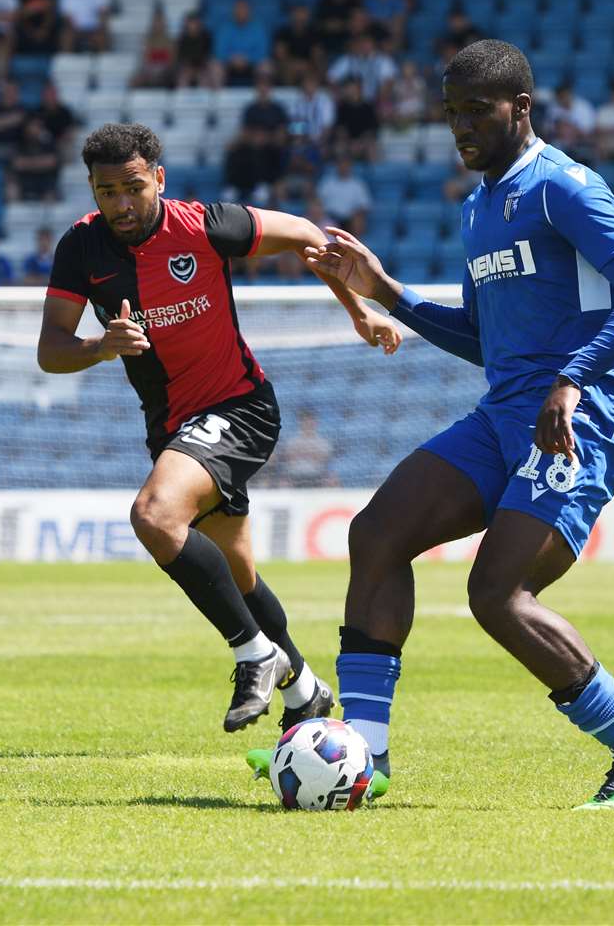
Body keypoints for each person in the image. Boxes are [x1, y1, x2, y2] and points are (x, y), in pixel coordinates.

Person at [271, 39, 614, 810]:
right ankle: (369, 754)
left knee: (497, 594)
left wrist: (570, 380)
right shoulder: (478, 206)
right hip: (504, 415)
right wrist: (384, 291)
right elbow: (483, 340)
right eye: (450, 111)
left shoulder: (565, 188)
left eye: (476, 111)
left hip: (575, 421)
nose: (460, 126)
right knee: (378, 533)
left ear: (519, 109)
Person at [37, 122, 401, 735]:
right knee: (237, 573)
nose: (121, 205)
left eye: (132, 188)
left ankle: (253, 653)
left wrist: (359, 311)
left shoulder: (207, 225)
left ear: (158, 177)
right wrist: (100, 347)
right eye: (106, 193)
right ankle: (307, 690)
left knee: (154, 514)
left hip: (240, 408)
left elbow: (310, 237)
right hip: (174, 428)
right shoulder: (81, 249)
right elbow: (50, 349)